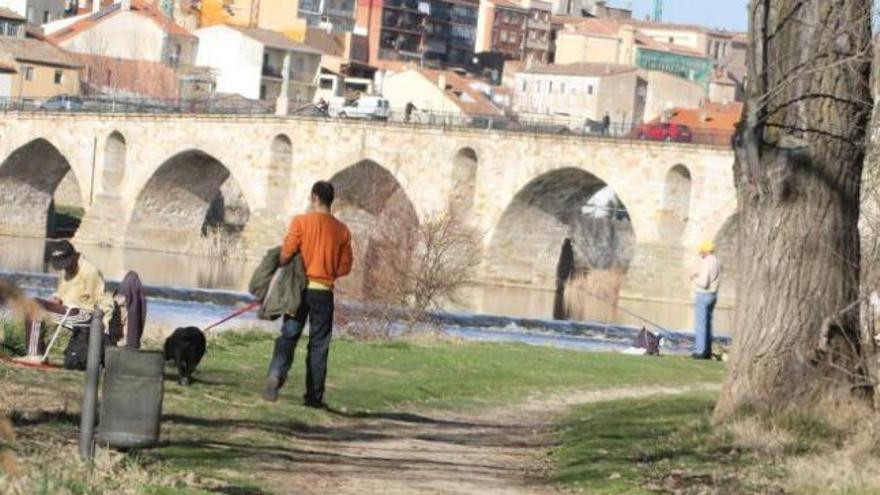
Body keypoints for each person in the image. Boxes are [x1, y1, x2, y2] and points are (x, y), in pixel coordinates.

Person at [264, 181, 353, 407]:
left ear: (314, 198)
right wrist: (327, 268)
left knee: (289, 334)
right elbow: (344, 267)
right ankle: (313, 397)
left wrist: (289, 262)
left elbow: (285, 254)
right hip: (323, 293)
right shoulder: (342, 230)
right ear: (331, 200)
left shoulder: (300, 222)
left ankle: (275, 375)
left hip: (299, 290)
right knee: (319, 345)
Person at [26, 240, 112, 355]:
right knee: (32, 303)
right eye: (61, 264)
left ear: (75, 255)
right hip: (67, 310)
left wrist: (104, 330)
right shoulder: (66, 270)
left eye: (66, 263)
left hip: (84, 315)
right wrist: (56, 298)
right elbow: (61, 292)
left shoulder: (90, 271)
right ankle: (37, 352)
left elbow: (104, 301)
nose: (65, 268)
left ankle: (34, 355)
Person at [690, 240, 721, 359]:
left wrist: (693, 279)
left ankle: (700, 351)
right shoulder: (717, 261)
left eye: (700, 251)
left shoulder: (707, 262)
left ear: (704, 251)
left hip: (703, 295)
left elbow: (704, 283)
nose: (699, 254)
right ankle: (707, 350)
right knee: (708, 324)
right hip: (713, 295)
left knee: (700, 324)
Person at [110, 271, 147, 349]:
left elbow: (118, 301)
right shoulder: (139, 296)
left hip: (121, 339)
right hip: (128, 339)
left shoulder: (124, 288)